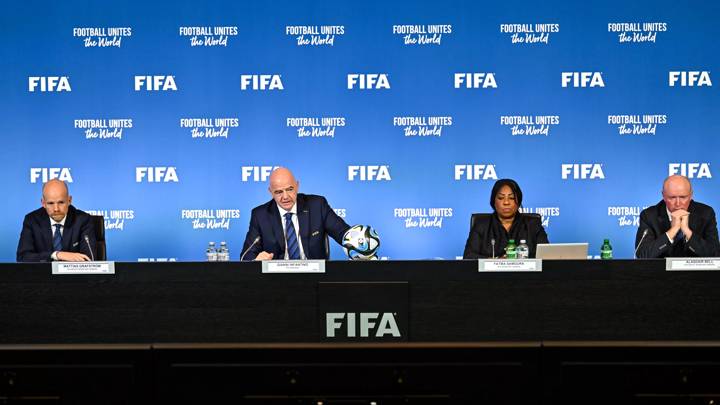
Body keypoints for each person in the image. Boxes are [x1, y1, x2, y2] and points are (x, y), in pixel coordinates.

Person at [241, 167, 351, 260]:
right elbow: (246, 256)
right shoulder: (260, 215)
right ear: (270, 192)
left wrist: (361, 243)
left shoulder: (317, 206)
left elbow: (344, 234)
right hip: (276, 280)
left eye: (289, 189)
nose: (285, 197)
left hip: (315, 277)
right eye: (278, 192)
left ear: (297, 186)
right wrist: (256, 259)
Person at [635, 175, 719, 258]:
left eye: (683, 197)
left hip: (696, 271)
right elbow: (643, 255)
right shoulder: (649, 216)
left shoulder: (705, 213)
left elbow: (715, 254)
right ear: (663, 196)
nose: (678, 203)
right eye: (672, 198)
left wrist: (687, 232)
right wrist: (673, 231)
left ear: (691, 195)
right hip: (660, 271)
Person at [463, 178, 548, 259]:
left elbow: (546, 257)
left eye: (511, 198)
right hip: (491, 274)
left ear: (518, 202)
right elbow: (468, 256)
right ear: (493, 201)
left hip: (527, 274)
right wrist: (496, 261)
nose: (506, 202)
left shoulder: (533, 224)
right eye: (501, 198)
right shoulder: (481, 225)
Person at [17, 179, 96, 262]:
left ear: (69, 200)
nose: (56, 209)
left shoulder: (83, 220)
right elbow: (23, 257)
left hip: (72, 274)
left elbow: (89, 259)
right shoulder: (32, 220)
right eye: (50, 203)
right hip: (42, 274)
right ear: (43, 203)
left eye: (61, 202)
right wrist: (56, 255)